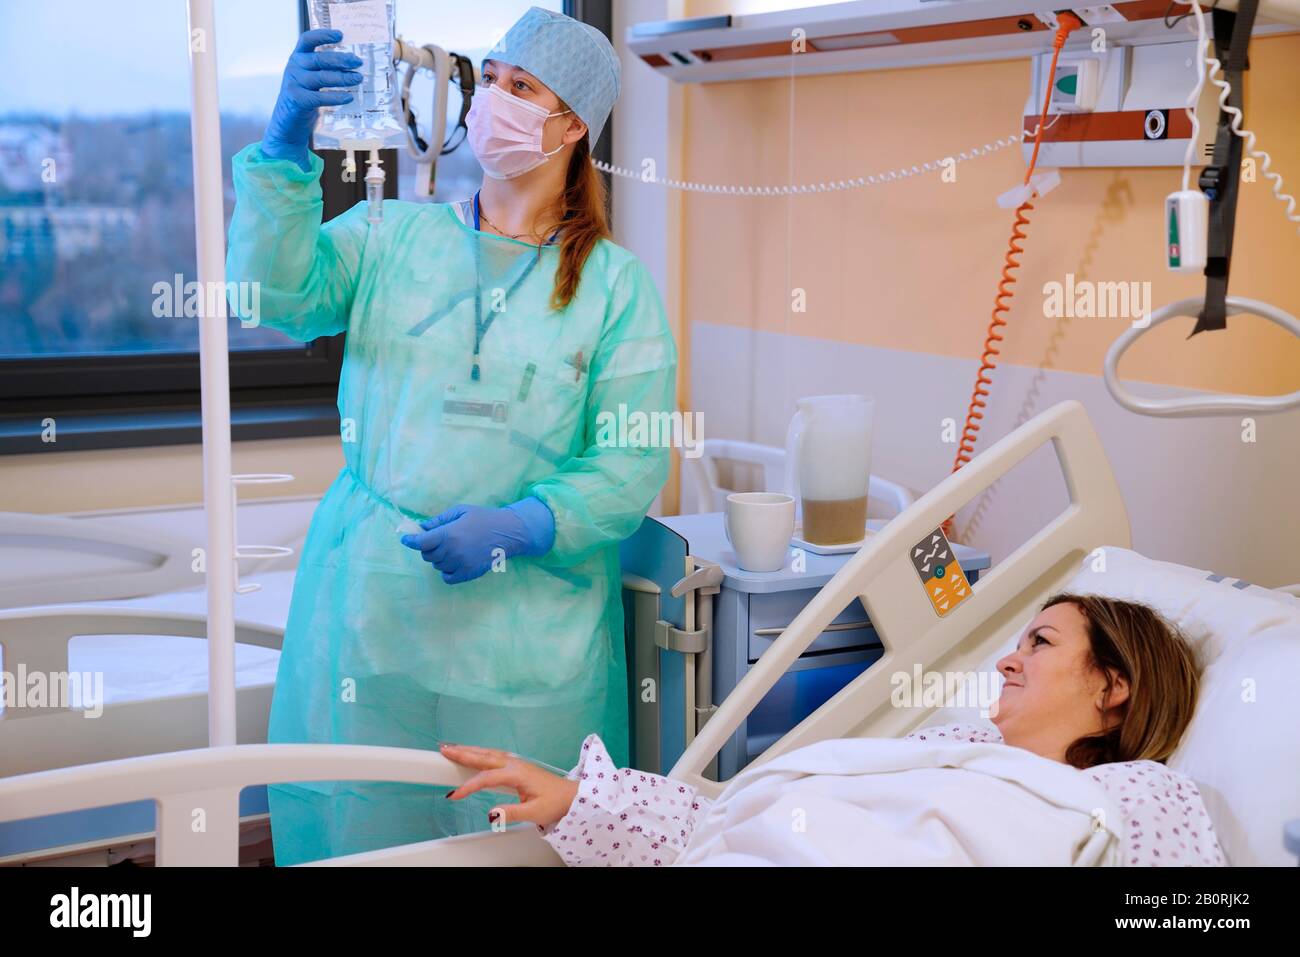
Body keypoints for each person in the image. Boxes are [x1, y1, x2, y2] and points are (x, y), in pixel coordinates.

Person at [225, 7, 677, 865]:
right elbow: (274, 296)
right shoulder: (390, 233)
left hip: (524, 642)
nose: (491, 98)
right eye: (492, 77)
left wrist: (522, 525)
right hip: (372, 613)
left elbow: (628, 462)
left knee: (505, 840)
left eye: (522, 87)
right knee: (358, 827)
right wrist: (286, 152)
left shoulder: (616, 289)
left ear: (573, 124)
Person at [441, 593, 1227, 866]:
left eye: (1041, 642)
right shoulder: (944, 750)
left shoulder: (1135, 793)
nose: (1008, 659)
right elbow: (735, 817)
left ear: (1113, 687)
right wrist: (580, 799)